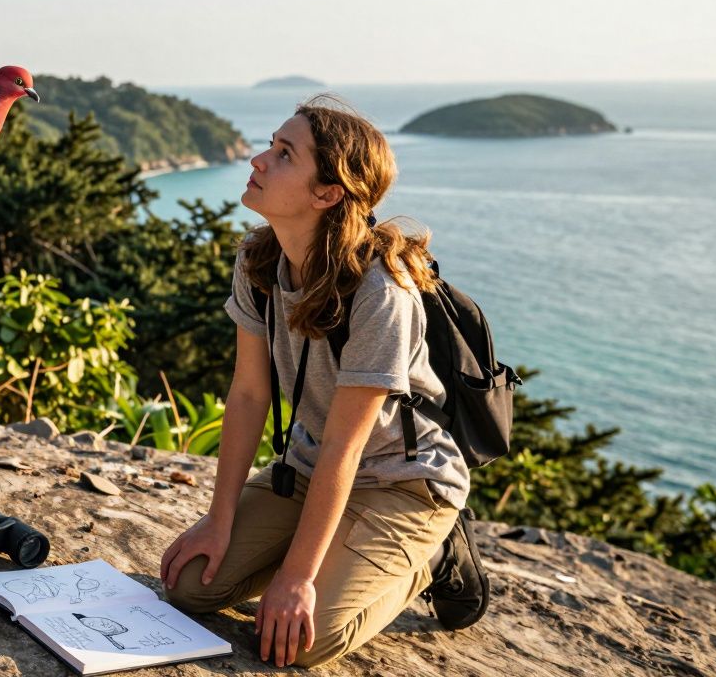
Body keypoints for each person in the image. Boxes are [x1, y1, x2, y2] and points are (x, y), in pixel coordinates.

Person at [159, 95, 489, 669]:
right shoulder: (258, 263)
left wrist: (298, 577)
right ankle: (333, 547)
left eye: (284, 154)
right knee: (189, 585)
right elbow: (247, 395)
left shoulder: (380, 292)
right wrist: (219, 518)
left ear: (328, 194)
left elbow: (349, 443)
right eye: (270, 145)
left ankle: (432, 557)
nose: (259, 160)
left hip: (401, 482)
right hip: (311, 469)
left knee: (300, 641)